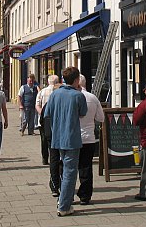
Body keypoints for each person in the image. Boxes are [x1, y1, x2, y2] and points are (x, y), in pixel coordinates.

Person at [44, 67, 87, 217]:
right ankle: (63, 205)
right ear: (76, 80)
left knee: (65, 170)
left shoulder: (55, 94)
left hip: (57, 137)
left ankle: (64, 201)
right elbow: (83, 113)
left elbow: (47, 113)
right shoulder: (78, 95)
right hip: (72, 138)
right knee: (70, 172)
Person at [77, 74, 104, 205]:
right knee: (86, 167)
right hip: (89, 137)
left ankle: (68, 194)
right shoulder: (93, 98)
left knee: (70, 167)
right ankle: (85, 196)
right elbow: (101, 118)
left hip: (74, 138)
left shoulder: (73, 97)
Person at [35, 74, 59, 166]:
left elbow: (37, 105)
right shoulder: (59, 91)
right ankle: (55, 157)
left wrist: (43, 114)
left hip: (44, 120)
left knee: (44, 140)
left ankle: (45, 158)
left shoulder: (42, 92)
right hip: (56, 120)